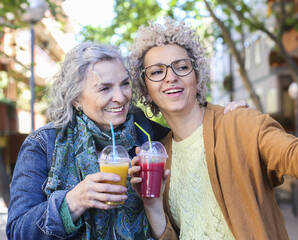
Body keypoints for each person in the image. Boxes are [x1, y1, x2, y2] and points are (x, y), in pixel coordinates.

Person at [128, 18, 298, 240]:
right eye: (157, 72)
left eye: (181, 67)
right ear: (146, 89)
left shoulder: (238, 121)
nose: (171, 77)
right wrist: (152, 205)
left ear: (197, 79)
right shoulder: (159, 155)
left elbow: (296, 156)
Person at [6, 41, 246, 240]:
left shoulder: (150, 136)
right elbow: (17, 231)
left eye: (124, 84)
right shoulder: (44, 144)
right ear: (76, 99)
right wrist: (74, 200)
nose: (120, 97)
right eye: (104, 89)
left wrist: (228, 119)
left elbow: (195, 133)